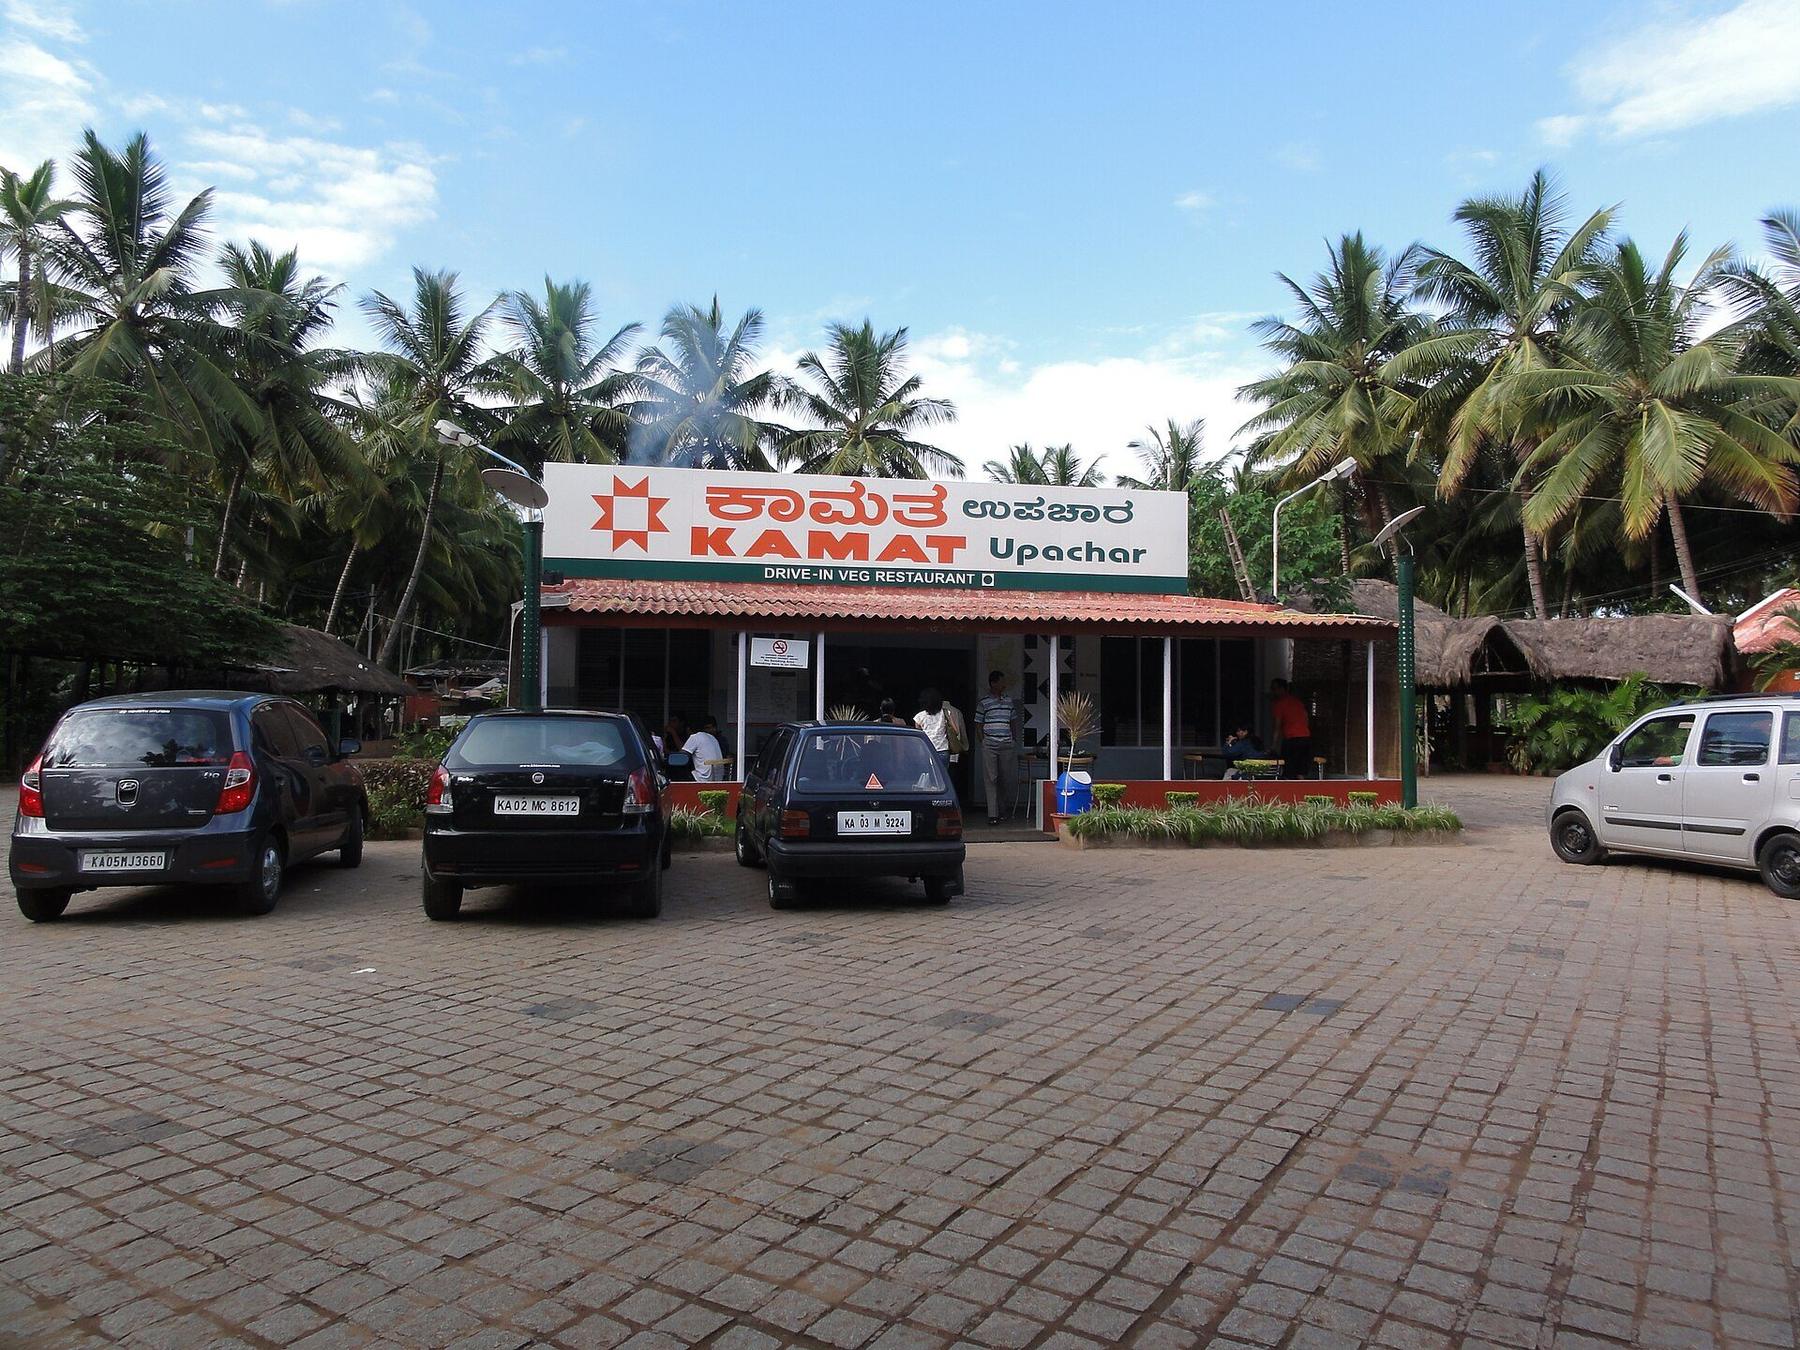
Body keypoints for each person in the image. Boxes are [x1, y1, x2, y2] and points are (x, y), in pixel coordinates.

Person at [974, 669, 1021, 824]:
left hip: (1006, 744)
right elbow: (978, 724)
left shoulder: (1008, 701)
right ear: (993, 683)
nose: (1004, 684)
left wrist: (1014, 739)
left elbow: (1013, 721)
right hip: (990, 744)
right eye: (1001, 681)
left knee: (1004, 778)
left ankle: (1003, 810)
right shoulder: (984, 702)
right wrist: (983, 741)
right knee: (991, 778)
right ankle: (992, 815)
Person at [1269, 678, 1313, 779]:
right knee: (1300, 771)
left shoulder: (1279, 704)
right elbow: (1306, 718)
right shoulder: (1297, 702)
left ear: (1282, 689)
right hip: (1305, 738)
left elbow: (1277, 727)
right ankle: (1302, 790)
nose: (1273, 692)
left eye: (1275, 689)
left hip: (1292, 740)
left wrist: (1273, 746)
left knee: (1289, 770)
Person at [683, 714, 724, 782]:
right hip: (718, 778)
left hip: (703, 778)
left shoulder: (694, 737)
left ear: (688, 729)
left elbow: (681, 756)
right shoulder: (712, 738)